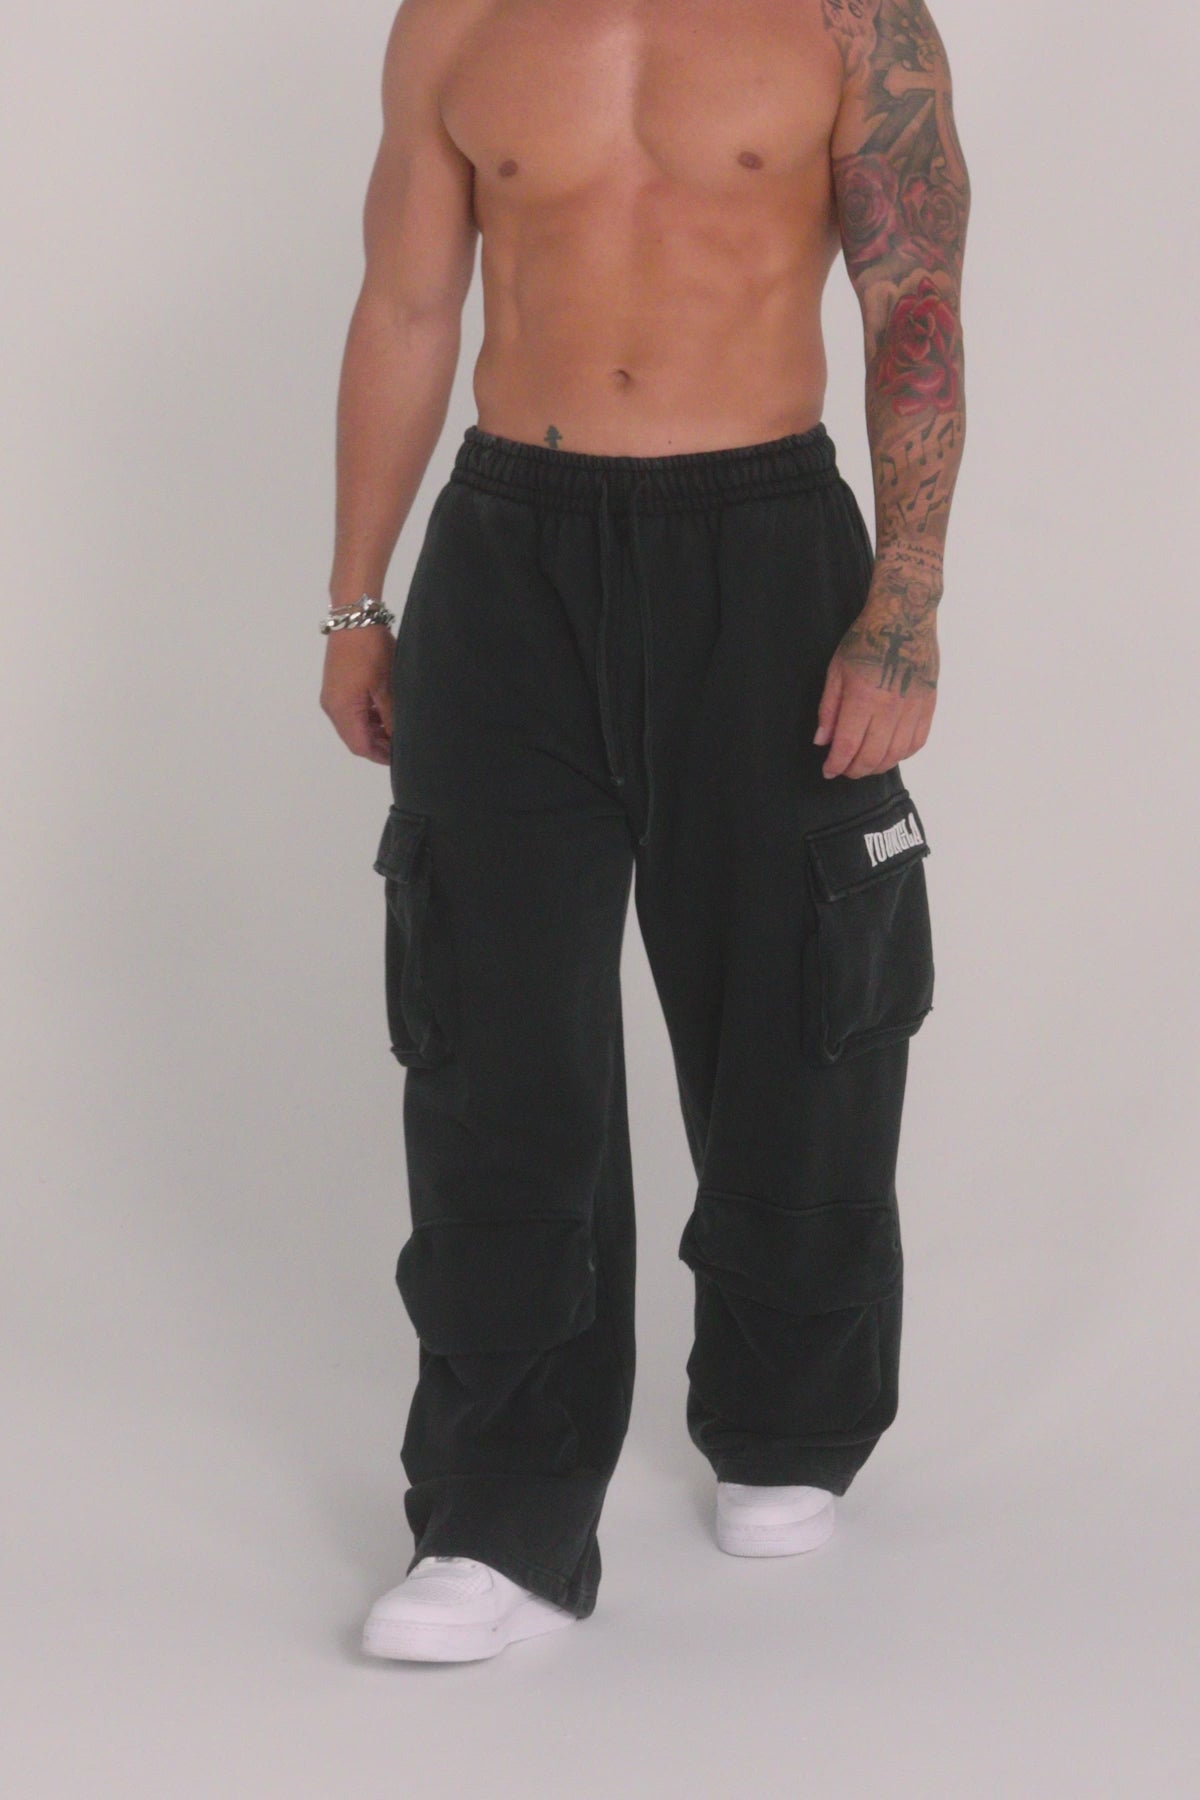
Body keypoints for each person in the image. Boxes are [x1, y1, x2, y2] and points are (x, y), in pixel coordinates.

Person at [320, 0, 968, 1664]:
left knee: (800, 1012)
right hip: (508, 550)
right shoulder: (458, 19)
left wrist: (902, 603)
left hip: (764, 539)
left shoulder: (851, 20)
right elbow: (409, 301)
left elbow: (912, 303)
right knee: (488, 1037)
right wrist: (357, 601)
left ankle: (789, 1418)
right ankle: (498, 1512)